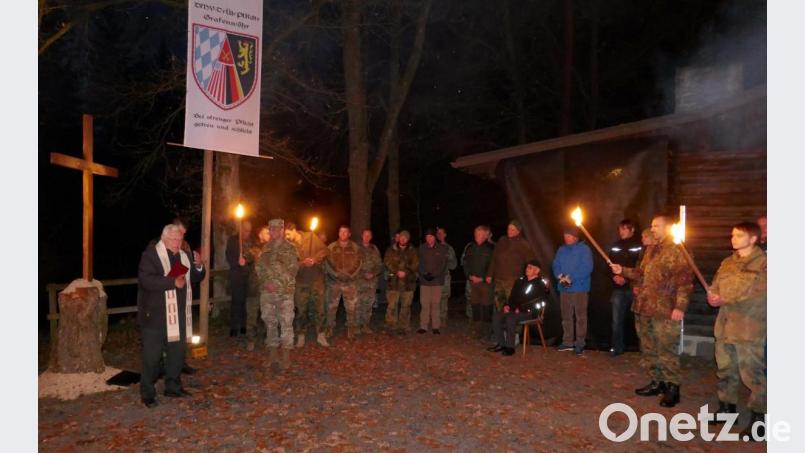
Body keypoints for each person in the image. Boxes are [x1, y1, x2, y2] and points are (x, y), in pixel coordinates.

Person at [611, 215, 692, 408]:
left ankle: (673, 388)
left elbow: (685, 282)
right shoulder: (650, 250)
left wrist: (680, 306)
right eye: (652, 225)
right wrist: (622, 270)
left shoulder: (677, 250)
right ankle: (658, 382)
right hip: (645, 306)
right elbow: (641, 273)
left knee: (666, 348)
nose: (652, 229)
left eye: (656, 226)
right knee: (649, 346)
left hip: (665, 308)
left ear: (668, 228)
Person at [707, 222, 767, 441]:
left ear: (753, 239)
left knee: (753, 376)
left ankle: (759, 420)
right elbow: (715, 284)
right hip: (725, 325)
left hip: (749, 327)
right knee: (725, 370)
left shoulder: (765, 263)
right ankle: (727, 410)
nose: (733, 239)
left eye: (739, 236)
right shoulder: (727, 262)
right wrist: (712, 295)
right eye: (732, 235)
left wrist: (726, 298)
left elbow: (759, 292)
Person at [137, 224, 206, 408]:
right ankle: (147, 393)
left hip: (179, 314)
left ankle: (173, 387)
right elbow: (146, 280)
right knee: (152, 357)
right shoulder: (150, 255)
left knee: (177, 353)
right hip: (156, 316)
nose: (177, 243)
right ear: (164, 239)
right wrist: (171, 282)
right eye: (173, 240)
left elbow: (196, 278)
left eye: (179, 240)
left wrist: (199, 267)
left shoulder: (183, 256)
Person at [255, 219, 300, 371]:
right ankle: (273, 356)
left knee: (286, 324)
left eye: (277, 229)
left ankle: (286, 358)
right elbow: (259, 268)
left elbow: (293, 270)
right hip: (267, 293)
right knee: (270, 323)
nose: (275, 231)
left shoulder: (291, 249)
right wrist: (265, 283)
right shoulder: (265, 248)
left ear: (282, 230)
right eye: (272, 229)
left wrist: (277, 285)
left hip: (284, 293)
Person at [488, 259, 550, 356]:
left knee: (510, 318)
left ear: (537, 271)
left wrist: (521, 309)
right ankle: (501, 344)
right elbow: (512, 297)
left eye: (530, 267)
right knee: (497, 316)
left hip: (530, 312)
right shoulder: (520, 281)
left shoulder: (540, 284)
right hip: (515, 310)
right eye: (527, 267)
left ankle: (510, 347)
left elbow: (538, 302)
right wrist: (507, 306)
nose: (527, 269)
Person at [552, 225, 594, 355]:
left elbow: (587, 268)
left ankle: (580, 343)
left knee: (580, 317)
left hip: (579, 288)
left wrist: (571, 278)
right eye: (565, 236)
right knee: (566, 316)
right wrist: (560, 276)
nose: (566, 238)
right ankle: (568, 342)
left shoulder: (584, 250)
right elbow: (555, 264)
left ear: (575, 237)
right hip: (564, 288)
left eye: (569, 236)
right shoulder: (561, 249)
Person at [288, 223, 329, 348]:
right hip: (301, 283)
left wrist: (314, 259)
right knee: (301, 311)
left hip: (316, 281)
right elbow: (289, 265)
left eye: (288, 234)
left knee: (320, 309)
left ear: (294, 230)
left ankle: (321, 335)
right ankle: (301, 335)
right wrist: (302, 263)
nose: (287, 237)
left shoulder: (310, 237)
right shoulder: (289, 245)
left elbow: (325, 250)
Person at [607, 219, 643, 357]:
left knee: (640, 321)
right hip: (618, 289)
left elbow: (640, 269)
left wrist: (626, 278)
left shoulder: (640, 246)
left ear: (632, 229)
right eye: (620, 229)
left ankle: (643, 350)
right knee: (616, 320)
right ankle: (617, 347)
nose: (621, 231)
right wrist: (614, 277)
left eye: (624, 229)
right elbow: (609, 265)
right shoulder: (616, 246)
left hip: (634, 288)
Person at [324, 225, 363, 339]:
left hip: (350, 283)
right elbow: (327, 263)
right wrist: (336, 274)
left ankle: (351, 330)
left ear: (349, 234)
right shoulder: (331, 247)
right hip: (334, 283)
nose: (343, 234)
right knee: (331, 308)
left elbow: (359, 263)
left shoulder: (355, 247)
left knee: (351, 308)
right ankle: (330, 328)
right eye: (341, 232)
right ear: (338, 233)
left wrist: (350, 275)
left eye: (345, 232)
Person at [462, 225, 495, 339]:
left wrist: (484, 277)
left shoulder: (491, 248)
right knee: (475, 305)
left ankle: (487, 332)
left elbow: (494, 266)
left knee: (486, 306)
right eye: (476, 233)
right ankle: (477, 330)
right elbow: (465, 263)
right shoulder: (470, 247)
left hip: (486, 283)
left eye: (480, 234)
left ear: (486, 235)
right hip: (473, 282)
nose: (478, 236)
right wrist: (469, 276)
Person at [384, 230, 419, 335]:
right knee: (392, 306)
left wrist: (406, 272)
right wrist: (396, 271)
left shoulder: (413, 250)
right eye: (401, 237)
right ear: (398, 238)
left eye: (405, 238)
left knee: (406, 306)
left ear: (408, 239)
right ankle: (391, 326)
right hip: (393, 283)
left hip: (408, 283)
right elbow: (387, 262)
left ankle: (403, 327)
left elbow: (416, 264)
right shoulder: (391, 249)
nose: (403, 239)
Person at [417, 228, 449, 334]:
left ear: (434, 237)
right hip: (424, 280)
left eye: (431, 237)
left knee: (436, 304)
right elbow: (419, 263)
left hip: (437, 280)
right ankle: (423, 326)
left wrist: (434, 274)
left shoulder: (442, 248)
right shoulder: (421, 248)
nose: (429, 239)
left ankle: (436, 326)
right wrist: (424, 273)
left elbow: (443, 264)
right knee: (425, 304)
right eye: (427, 237)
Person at [226, 220, 253, 337]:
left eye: (249, 231)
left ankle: (243, 326)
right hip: (237, 276)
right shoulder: (233, 240)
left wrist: (247, 262)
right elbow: (229, 256)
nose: (248, 233)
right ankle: (234, 327)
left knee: (245, 302)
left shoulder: (250, 242)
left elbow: (252, 257)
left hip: (248, 276)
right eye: (246, 230)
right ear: (241, 229)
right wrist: (238, 262)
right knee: (236, 302)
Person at [244, 225, 270, 351]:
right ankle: (251, 339)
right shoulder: (253, 249)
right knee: (252, 315)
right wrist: (243, 259)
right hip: (254, 287)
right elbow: (246, 258)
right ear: (260, 234)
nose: (269, 234)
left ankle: (268, 337)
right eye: (267, 232)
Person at [357, 228, 384, 335]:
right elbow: (353, 265)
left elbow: (379, 265)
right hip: (359, 281)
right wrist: (363, 274)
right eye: (365, 235)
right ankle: (357, 326)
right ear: (361, 236)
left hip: (371, 282)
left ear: (371, 237)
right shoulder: (356, 248)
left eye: (369, 235)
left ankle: (365, 325)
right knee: (358, 304)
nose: (367, 237)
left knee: (368, 304)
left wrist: (373, 273)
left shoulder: (374, 249)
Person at [435, 227, 458, 327]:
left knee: (444, 298)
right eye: (438, 233)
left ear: (445, 235)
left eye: (441, 233)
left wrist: (447, 259)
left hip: (444, 276)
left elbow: (454, 265)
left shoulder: (449, 248)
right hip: (434, 277)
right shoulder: (432, 246)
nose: (439, 235)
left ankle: (443, 318)